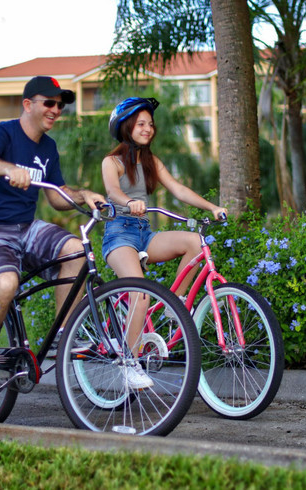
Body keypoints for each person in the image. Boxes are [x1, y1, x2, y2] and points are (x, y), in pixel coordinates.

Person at [0, 76, 104, 394]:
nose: (56, 109)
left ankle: (64, 334)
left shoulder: (49, 147)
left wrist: (85, 194)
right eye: (49, 103)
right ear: (28, 104)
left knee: (75, 250)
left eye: (60, 105)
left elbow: (56, 196)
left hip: (27, 227)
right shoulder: (3, 132)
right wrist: (8, 168)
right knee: (6, 284)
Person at [100, 97, 227, 389]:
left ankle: (175, 305)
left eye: (150, 124)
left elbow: (179, 189)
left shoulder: (151, 162)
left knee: (195, 242)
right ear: (126, 127)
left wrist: (211, 208)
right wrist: (129, 202)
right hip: (119, 235)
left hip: (144, 232)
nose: (148, 129)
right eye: (141, 124)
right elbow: (112, 190)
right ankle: (129, 363)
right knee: (140, 293)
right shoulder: (112, 162)